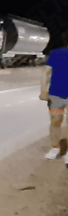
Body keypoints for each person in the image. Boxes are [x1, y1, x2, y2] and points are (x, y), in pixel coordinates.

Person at [40, 31, 68, 161]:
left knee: (56, 122)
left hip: (55, 94)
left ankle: (63, 151)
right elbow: (45, 73)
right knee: (55, 122)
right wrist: (43, 91)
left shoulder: (55, 53)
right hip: (56, 94)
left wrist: (44, 91)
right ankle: (55, 148)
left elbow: (45, 73)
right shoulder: (56, 53)